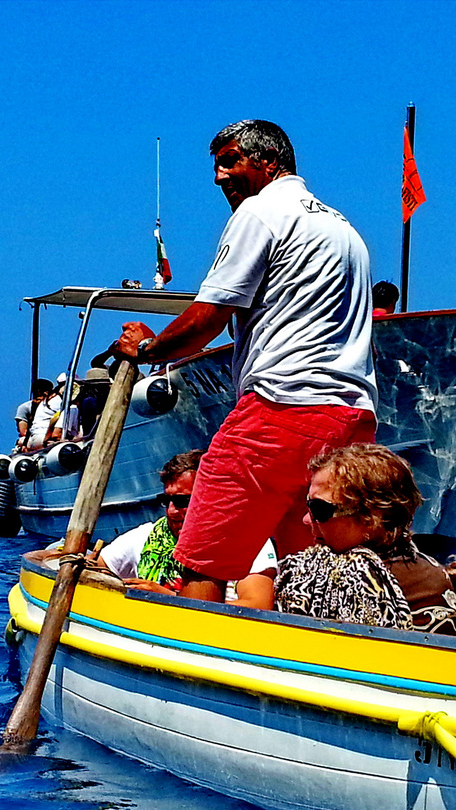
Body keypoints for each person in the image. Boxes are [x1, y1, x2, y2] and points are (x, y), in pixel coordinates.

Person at [106, 119, 377, 605]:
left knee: (202, 551)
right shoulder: (343, 228)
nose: (219, 177)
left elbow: (207, 318)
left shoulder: (263, 212)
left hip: (281, 408)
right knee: (314, 565)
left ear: (269, 163)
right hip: (352, 419)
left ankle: (189, 657)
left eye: (230, 161)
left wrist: (147, 349)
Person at [275, 444, 456, 635]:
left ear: (373, 517)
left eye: (320, 509)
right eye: (307, 505)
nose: (306, 520)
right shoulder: (431, 570)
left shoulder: (352, 578)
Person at [97, 450, 276, 606]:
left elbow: (257, 605)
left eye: (183, 501)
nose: (171, 511)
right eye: (166, 501)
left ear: (212, 497)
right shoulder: (149, 535)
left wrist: (168, 598)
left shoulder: (247, 540)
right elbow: (96, 568)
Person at [13, 378, 54, 451]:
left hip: (51, 436)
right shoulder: (25, 408)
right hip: (33, 437)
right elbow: (23, 432)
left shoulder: (54, 406)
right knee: (22, 441)